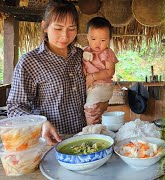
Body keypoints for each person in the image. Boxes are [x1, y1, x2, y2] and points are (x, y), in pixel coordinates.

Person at [6, 0, 108, 146]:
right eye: (58, 28)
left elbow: (99, 85)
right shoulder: (30, 62)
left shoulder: (83, 55)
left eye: (71, 28)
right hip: (50, 143)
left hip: (85, 137)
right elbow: (15, 107)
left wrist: (102, 104)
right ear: (44, 26)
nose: (65, 36)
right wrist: (41, 124)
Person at [82, 17, 118, 125]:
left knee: (91, 108)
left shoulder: (107, 53)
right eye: (93, 39)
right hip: (91, 87)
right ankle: (96, 126)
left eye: (103, 40)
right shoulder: (83, 51)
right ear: (87, 37)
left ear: (109, 39)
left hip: (102, 86)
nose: (98, 44)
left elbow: (110, 72)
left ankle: (92, 130)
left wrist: (92, 77)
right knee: (90, 108)